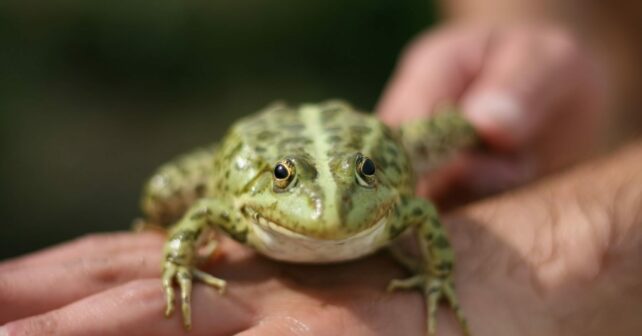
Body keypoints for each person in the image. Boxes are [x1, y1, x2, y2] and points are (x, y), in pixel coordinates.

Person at [1, 2, 641, 335]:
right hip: (267, 144)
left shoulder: (397, 206)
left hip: (357, 137)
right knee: (165, 188)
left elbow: (417, 208)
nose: (330, 211)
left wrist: (455, 275)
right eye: (289, 185)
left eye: (362, 179)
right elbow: (200, 213)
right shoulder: (236, 211)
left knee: (441, 134)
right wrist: (173, 255)